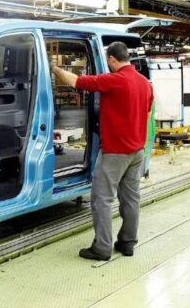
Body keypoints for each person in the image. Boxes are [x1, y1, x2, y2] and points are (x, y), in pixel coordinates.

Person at [51, 42, 153, 261]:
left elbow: (76, 81)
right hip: (137, 151)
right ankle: (127, 243)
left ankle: (102, 248)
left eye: (108, 61)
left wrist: (55, 69)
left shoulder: (114, 80)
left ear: (112, 59)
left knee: (101, 199)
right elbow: (146, 110)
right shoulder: (145, 83)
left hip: (116, 152)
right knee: (131, 199)